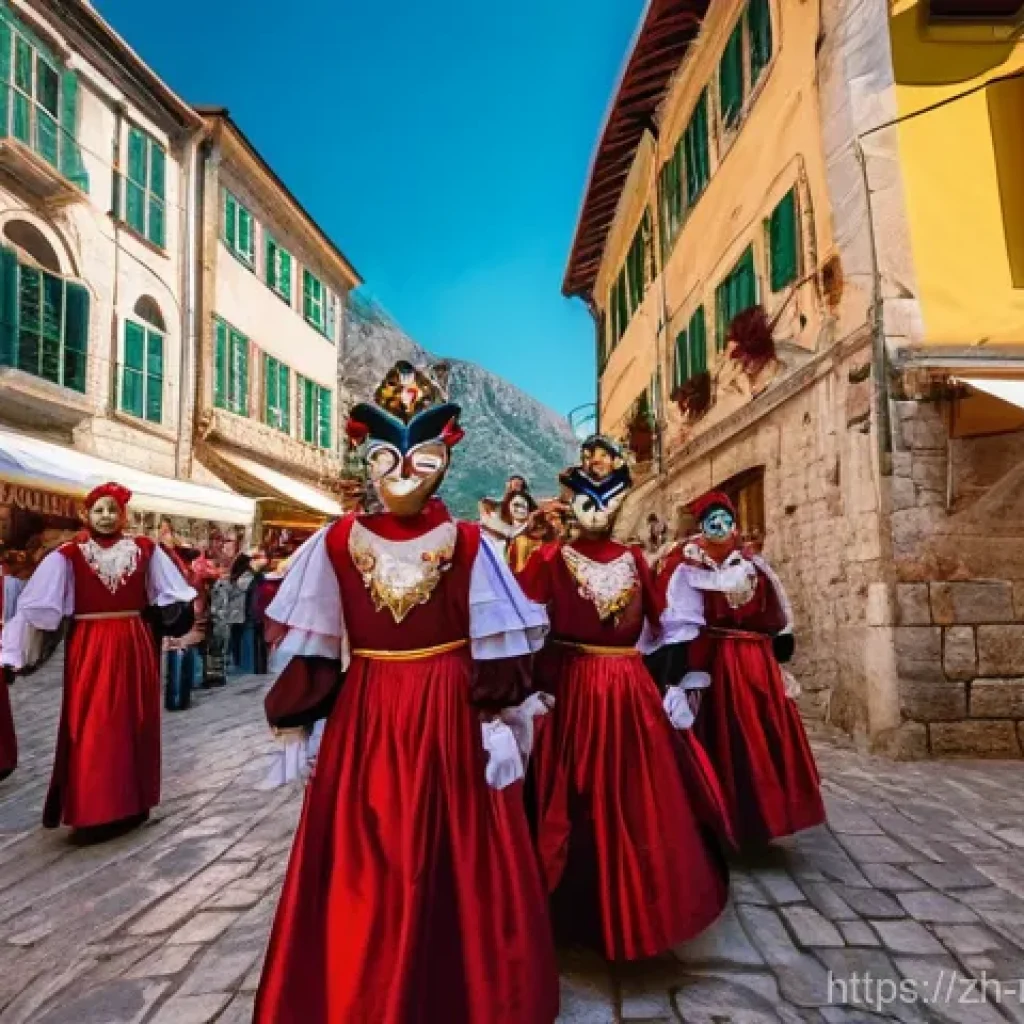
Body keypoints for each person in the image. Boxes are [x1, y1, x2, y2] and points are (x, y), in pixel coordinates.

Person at [253, 363, 559, 1024]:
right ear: (368, 460)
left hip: (450, 712)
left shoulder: (473, 543)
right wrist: (295, 722)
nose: (402, 474)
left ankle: (458, 991)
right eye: (385, 457)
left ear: (444, 461)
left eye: (421, 457)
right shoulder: (334, 542)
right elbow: (315, 643)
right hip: (367, 711)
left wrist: (499, 717)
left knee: (454, 854)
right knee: (370, 851)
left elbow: (494, 643)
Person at [516, 435, 729, 963]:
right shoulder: (548, 558)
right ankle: (574, 910)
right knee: (571, 793)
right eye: (588, 500)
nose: (597, 512)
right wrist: (527, 691)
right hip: (572, 688)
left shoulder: (636, 559)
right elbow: (521, 627)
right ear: (573, 503)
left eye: (607, 501)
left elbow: (666, 624)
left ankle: (647, 906)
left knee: (641, 792)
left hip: (629, 689)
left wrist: (675, 684)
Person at [0, 483, 195, 836]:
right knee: (93, 722)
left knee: (134, 721)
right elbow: (37, 607)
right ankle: (94, 809)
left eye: (112, 510)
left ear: (124, 514)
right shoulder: (68, 554)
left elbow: (172, 592)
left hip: (134, 643)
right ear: (86, 514)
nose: (105, 517)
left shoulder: (146, 550)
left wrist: (170, 619)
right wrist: (13, 651)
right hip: (90, 644)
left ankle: (131, 804)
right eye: (98, 510)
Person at [658, 490, 825, 848]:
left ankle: (761, 819)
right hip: (715, 662)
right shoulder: (687, 566)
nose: (720, 527)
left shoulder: (753, 564)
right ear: (701, 527)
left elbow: (776, 606)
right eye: (712, 522)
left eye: (726, 521)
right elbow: (679, 618)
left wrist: (781, 637)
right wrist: (677, 666)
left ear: (734, 523)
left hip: (756, 664)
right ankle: (717, 818)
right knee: (720, 735)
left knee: (760, 737)